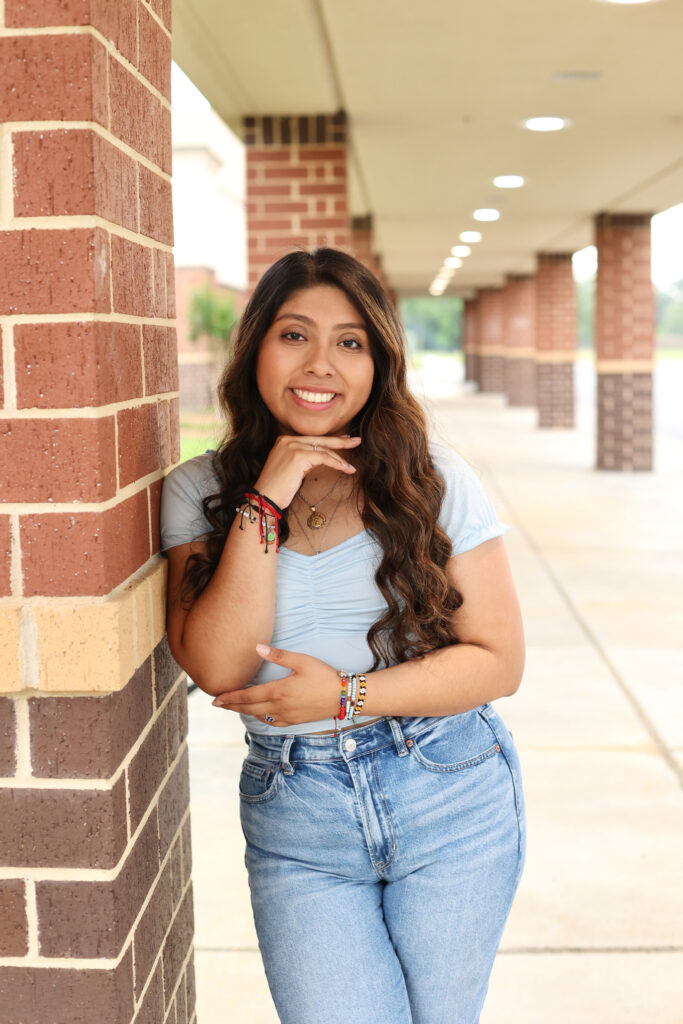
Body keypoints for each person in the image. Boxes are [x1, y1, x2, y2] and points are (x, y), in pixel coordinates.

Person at [160, 248, 526, 1024]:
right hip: (298, 810)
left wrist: (346, 696)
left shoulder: (432, 478)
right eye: (294, 335)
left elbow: (498, 660)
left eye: (350, 342)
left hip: (447, 787)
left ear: (378, 362)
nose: (320, 363)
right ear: (256, 345)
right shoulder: (199, 491)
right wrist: (268, 495)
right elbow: (219, 665)